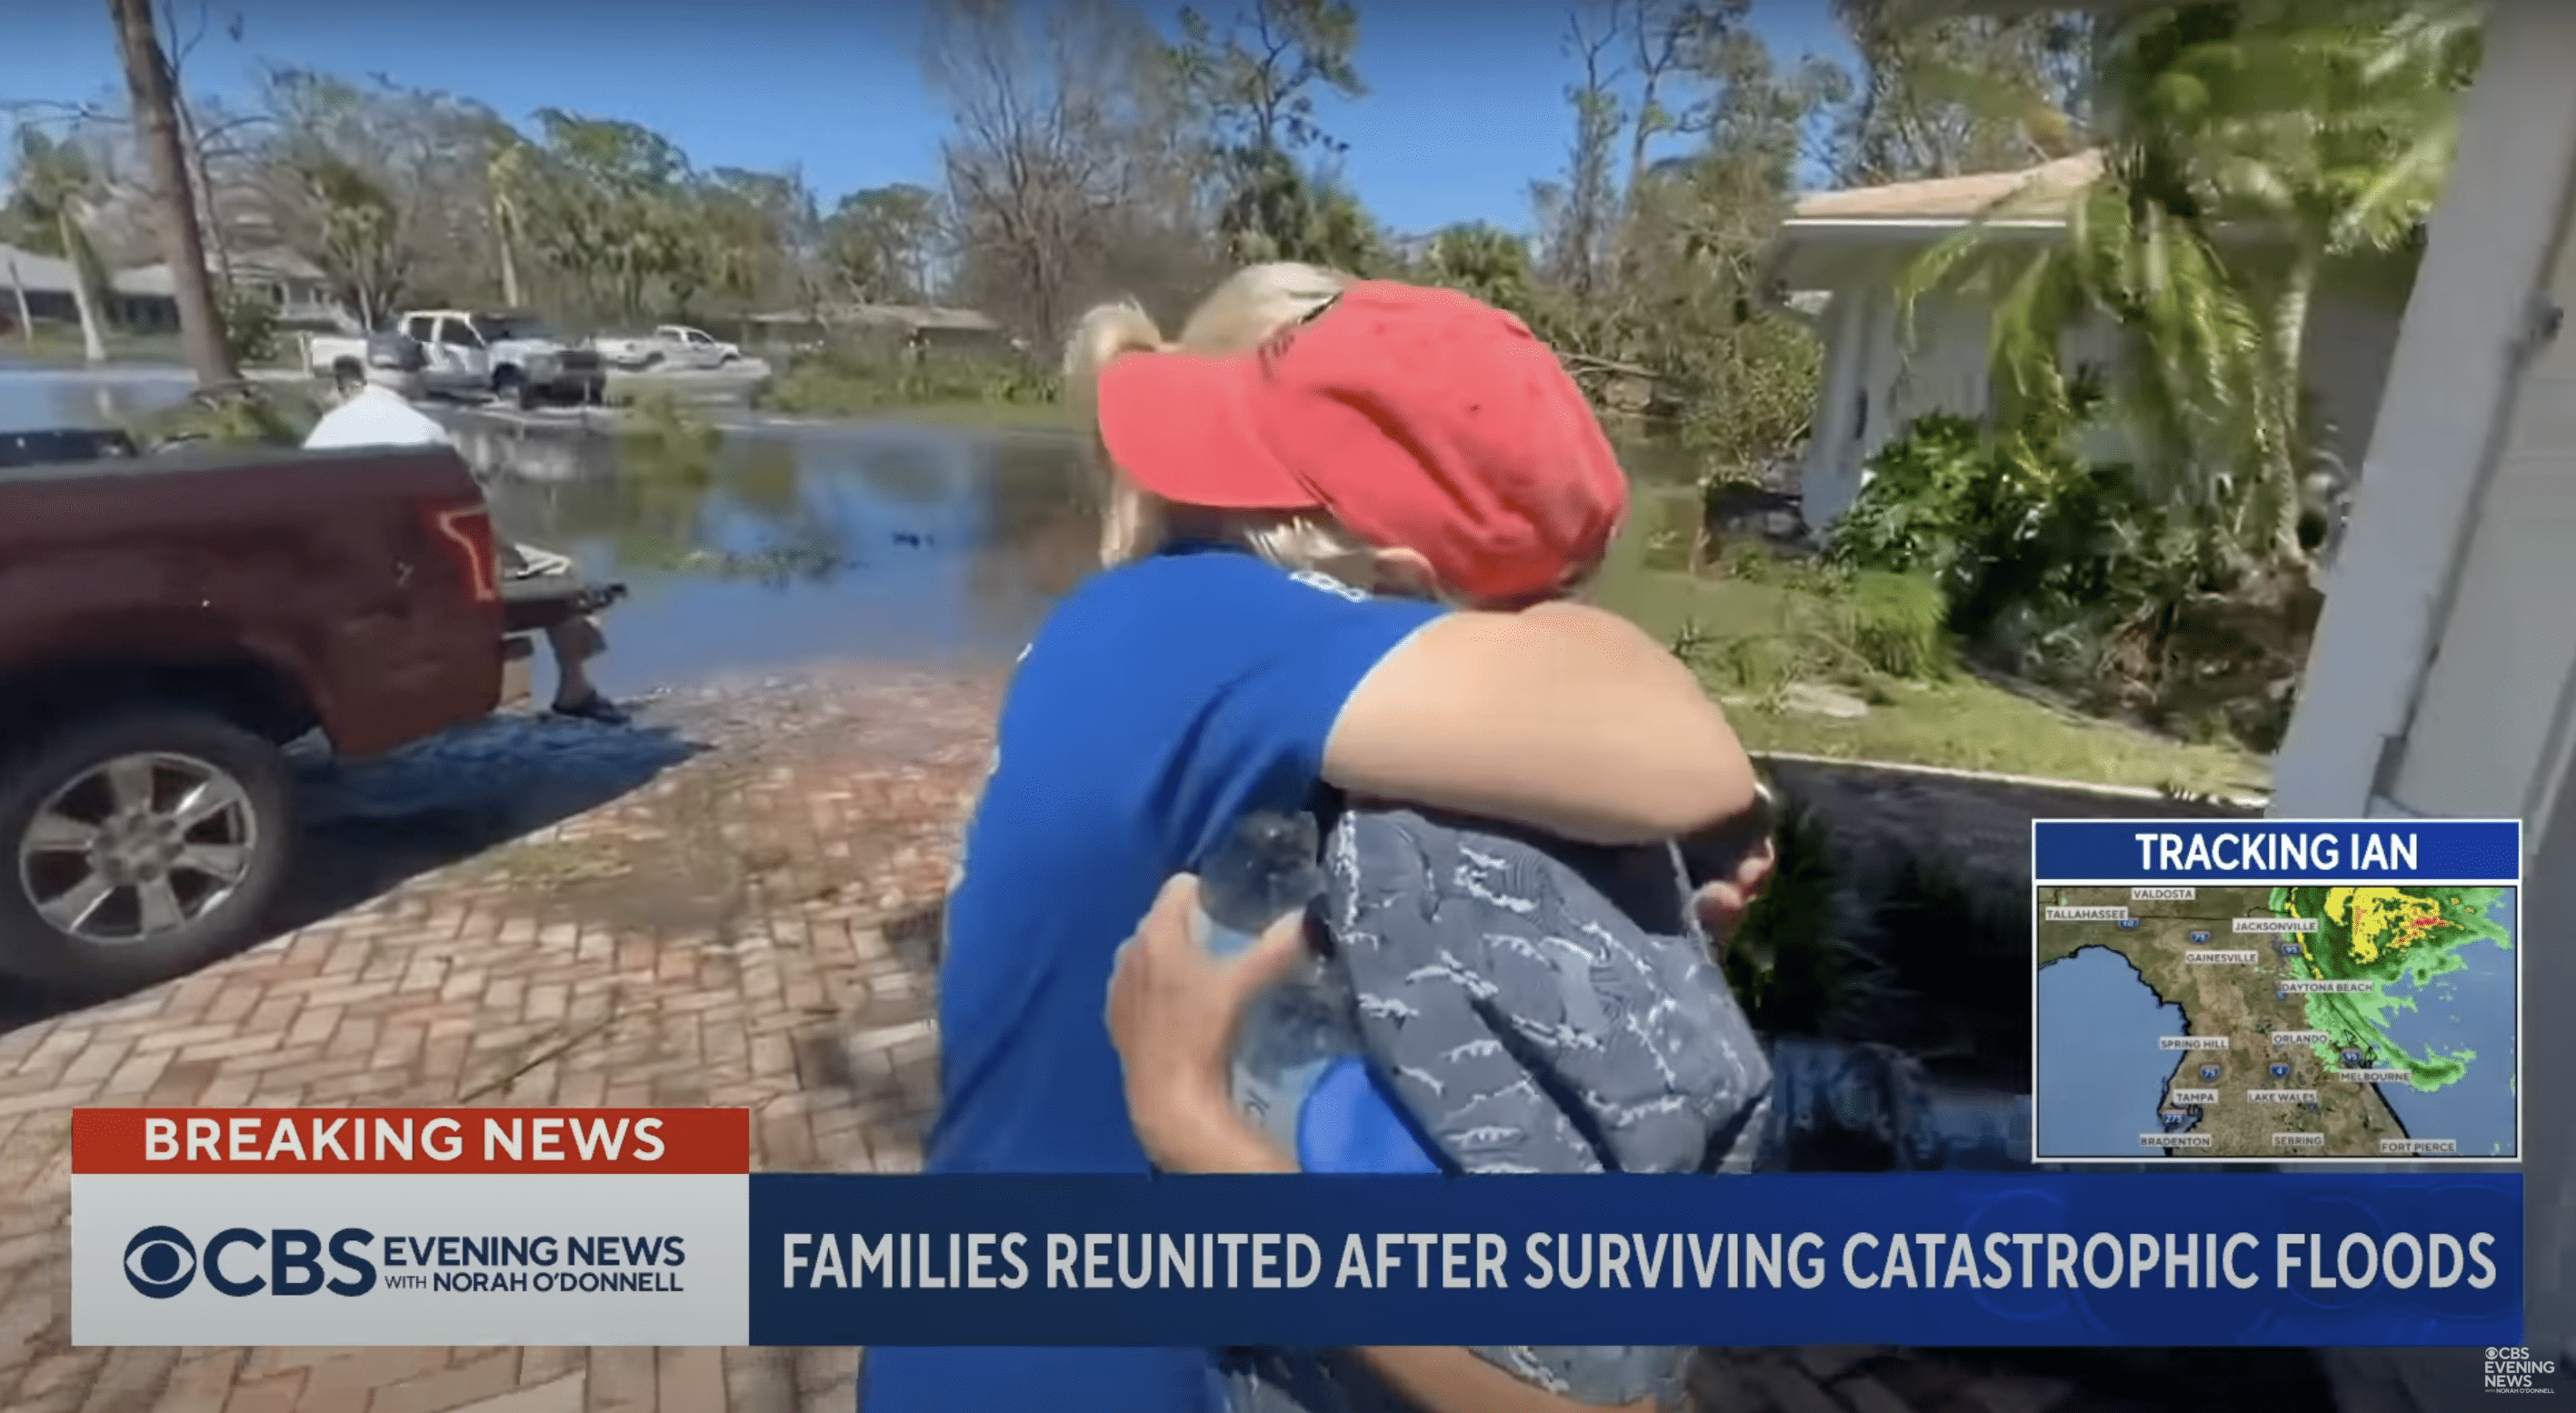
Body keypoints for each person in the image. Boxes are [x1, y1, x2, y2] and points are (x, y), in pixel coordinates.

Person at [857, 277, 1762, 1413]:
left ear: (1396, 591)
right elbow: (1689, 755)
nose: (1205, 512)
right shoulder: (1186, 623)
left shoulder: (1188, 647)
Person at [302, 376, 627, 725]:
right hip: (417, 567)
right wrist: (502, 552)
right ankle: (574, 689)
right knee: (562, 572)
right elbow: (465, 509)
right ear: (412, 378)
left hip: (341, 564)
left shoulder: (327, 426)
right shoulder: (421, 429)